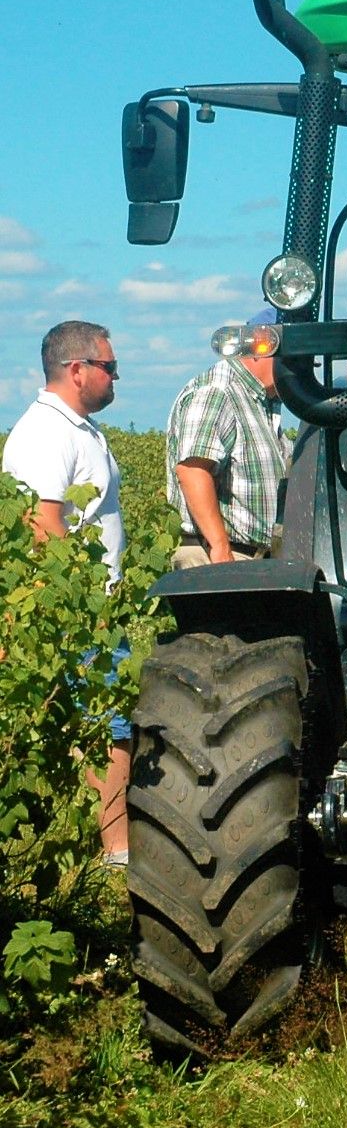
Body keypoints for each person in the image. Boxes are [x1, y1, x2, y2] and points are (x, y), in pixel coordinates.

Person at [0, 320, 130, 866]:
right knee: (108, 727)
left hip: (91, 608)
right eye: (109, 366)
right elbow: (39, 524)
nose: (116, 376)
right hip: (76, 612)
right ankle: (116, 852)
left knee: (105, 724)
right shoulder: (44, 433)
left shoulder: (79, 428)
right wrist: (87, 608)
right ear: (77, 370)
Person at [166, 307, 289, 568]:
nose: (298, 372)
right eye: (292, 360)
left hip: (250, 559)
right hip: (218, 557)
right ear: (262, 349)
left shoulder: (262, 402)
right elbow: (192, 470)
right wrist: (221, 551)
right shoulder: (218, 391)